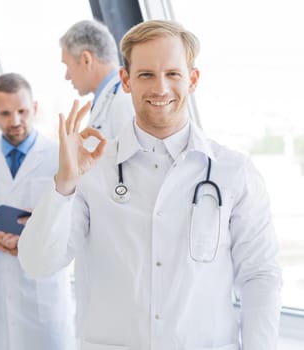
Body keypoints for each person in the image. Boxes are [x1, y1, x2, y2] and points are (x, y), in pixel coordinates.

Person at [19, 20, 282, 350]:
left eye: (173, 73)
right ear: (126, 80)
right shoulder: (93, 168)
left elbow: (260, 276)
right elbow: (38, 263)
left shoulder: (233, 172)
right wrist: (64, 184)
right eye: (146, 75)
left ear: (193, 79)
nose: (160, 87)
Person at [0, 73, 75, 350]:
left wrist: (37, 231)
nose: (15, 121)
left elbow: (74, 216)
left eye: (22, 111)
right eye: (5, 113)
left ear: (34, 108)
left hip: (42, 284)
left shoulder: (60, 156)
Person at [60, 19, 135, 139]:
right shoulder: (109, 100)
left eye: (67, 65)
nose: (66, 76)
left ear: (86, 60)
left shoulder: (124, 100)